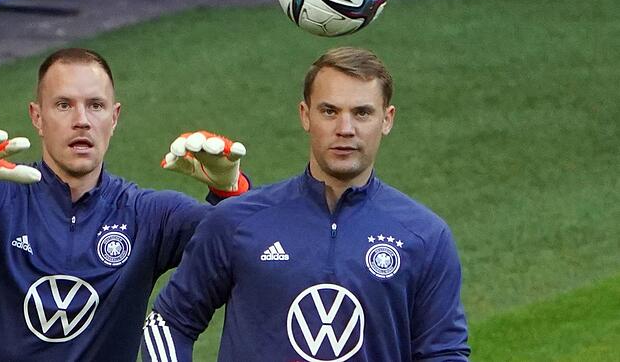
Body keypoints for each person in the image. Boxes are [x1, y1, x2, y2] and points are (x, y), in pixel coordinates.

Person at [0, 47, 249, 361]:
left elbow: (248, 248)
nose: (81, 120)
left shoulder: (149, 216)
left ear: (114, 118)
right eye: (64, 105)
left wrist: (228, 191)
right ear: (37, 117)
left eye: (95, 106)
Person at [142, 46, 470, 361]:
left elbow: (444, 354)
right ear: (305, 115)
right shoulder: (236, 221)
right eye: (329, 111)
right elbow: (168, 323)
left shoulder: (425, 237)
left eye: (362, 113)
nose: (345, 129)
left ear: (387, 119)